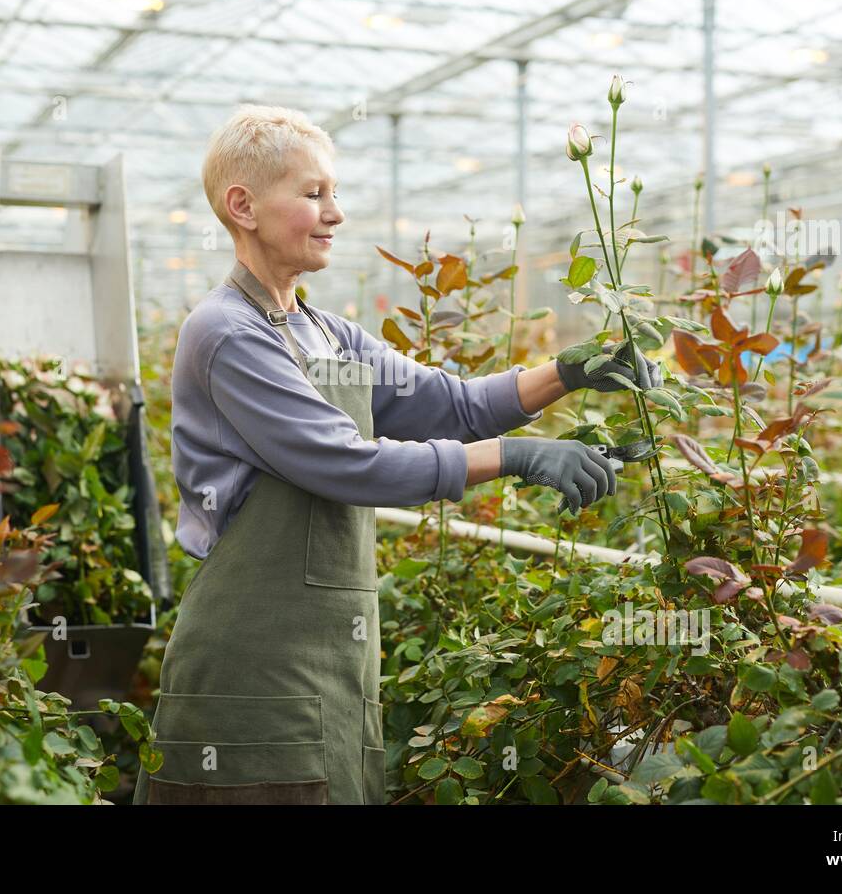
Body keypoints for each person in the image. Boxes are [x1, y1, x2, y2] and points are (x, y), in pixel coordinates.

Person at [134, 104, 659, 805]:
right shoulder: (229, 333)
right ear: (243, 206)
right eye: (314, 194)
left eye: (335, 194)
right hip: (255, 664)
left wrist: (570, 369)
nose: (336, 213)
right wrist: (517, 458)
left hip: (331, 658)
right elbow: (345, 463)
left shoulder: (326, 335)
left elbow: (455, 406)